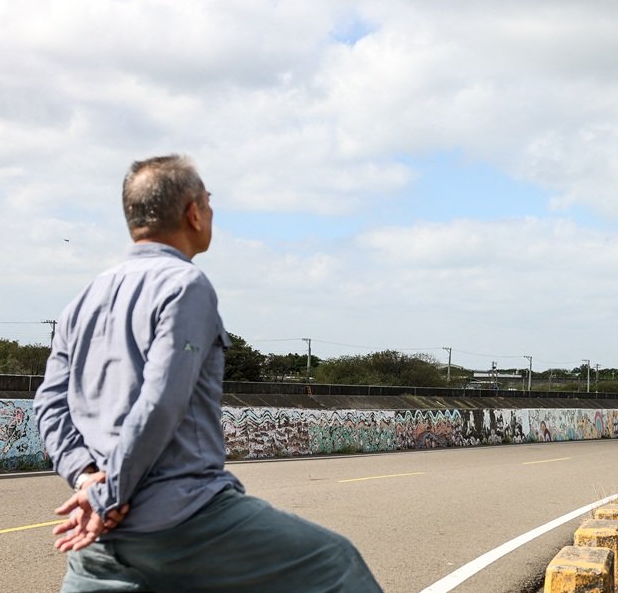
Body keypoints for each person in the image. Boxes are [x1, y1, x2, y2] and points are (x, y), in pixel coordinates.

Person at [34, 155, 382, 592]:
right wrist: (110, 494)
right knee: (337, 564)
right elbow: (161, 402)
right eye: (210, 202)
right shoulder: (184, 286)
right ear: (193, 212)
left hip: (99, 535)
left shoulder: (84, 298)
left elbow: (49, 404)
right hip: (183, 518)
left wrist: (87, 480)